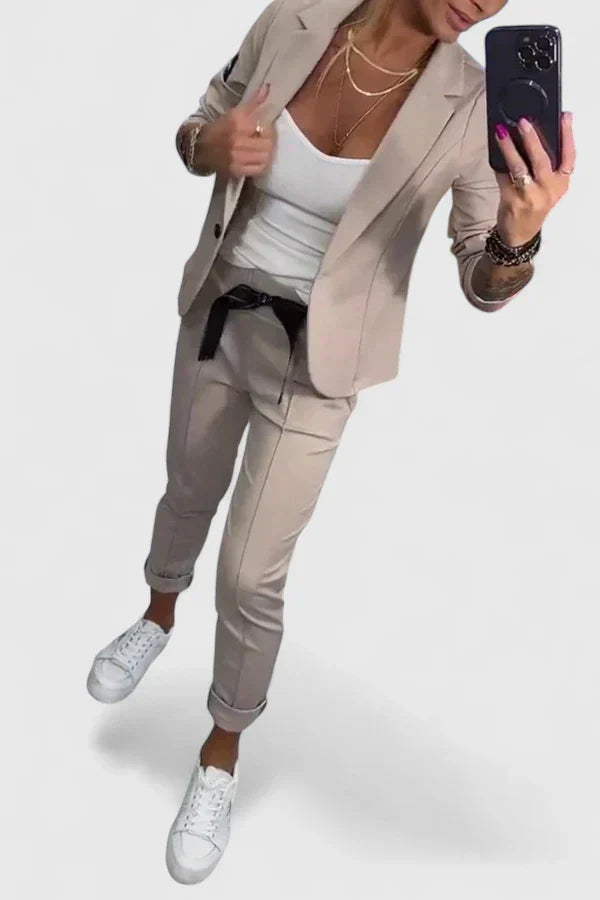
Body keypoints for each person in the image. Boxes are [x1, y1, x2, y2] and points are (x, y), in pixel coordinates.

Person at [86, 0, 575, 884]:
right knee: (186, 488)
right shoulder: (298, 16)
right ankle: (157, 614)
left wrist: (517, 236)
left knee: (251, 573)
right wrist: (209, 147)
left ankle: (223, 746)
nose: (484, 0)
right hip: (219, 310)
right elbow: (201, 123)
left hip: (320, 363)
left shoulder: (473, 106)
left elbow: (481, 276)